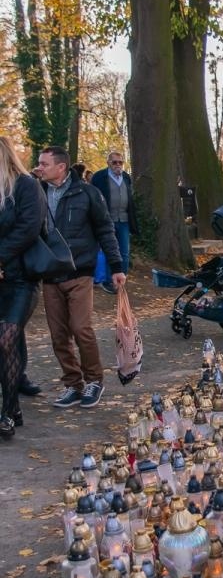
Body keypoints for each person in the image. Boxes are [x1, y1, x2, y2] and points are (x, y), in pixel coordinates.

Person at [38, 146, 125, 408]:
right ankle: (72, 384)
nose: (38, 167)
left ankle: (94, 380)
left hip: (80, 273)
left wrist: (116, 266)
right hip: (50, 274)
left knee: (81, 328)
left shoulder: (87, 192)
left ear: (60, 167)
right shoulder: (37, 192)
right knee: (58, 334)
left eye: (44, 164)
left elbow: (105, 229)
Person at [0, 138, 46, 438]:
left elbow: (30, 227)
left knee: (7, 338)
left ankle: (6, 411)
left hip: (21, 279)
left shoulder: (26, 186)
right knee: (7, 344)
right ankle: (13, 407)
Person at [91, 150, 139, 288]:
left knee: (124, 251)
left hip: (123, 220)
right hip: (107, 220)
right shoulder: (99, 177)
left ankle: (121, 279)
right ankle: (107, 280)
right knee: (108, 250)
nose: (118, 165)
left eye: (120, 162)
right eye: (115, 162)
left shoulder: (126, 177)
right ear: (108, 163)